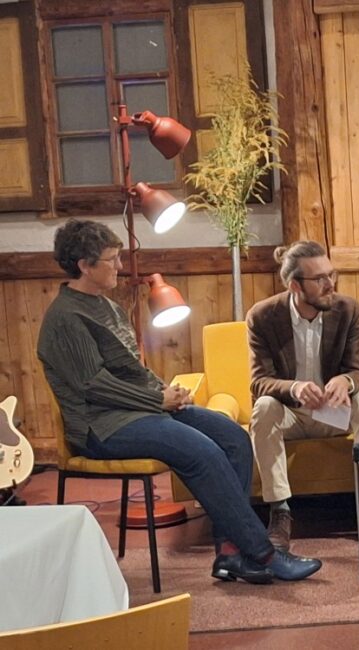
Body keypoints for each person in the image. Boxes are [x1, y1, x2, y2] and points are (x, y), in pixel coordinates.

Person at [37, 220, 321, 584]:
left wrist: (169, 391)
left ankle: (230, 554)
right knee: (203, 452)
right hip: (102, 426)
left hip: (136, 411)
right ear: (84, 265)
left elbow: (130, 369)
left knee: (232, 437)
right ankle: (264, 554)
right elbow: (95, 385)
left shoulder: (105, 306)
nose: (120, 266)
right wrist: (158, 399)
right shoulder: (66, 318)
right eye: (112, 260)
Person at [247, 241, 359, 550]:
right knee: (264, 408)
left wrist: (346, 380)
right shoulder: (263, 317)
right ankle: (280, 512)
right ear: (295, 285)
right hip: (291, 412)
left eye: (332, 274)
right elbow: (260, 382)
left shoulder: (348, 310)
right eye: (320, 279)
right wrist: (294, 387)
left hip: (333, 411)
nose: (331, 284)